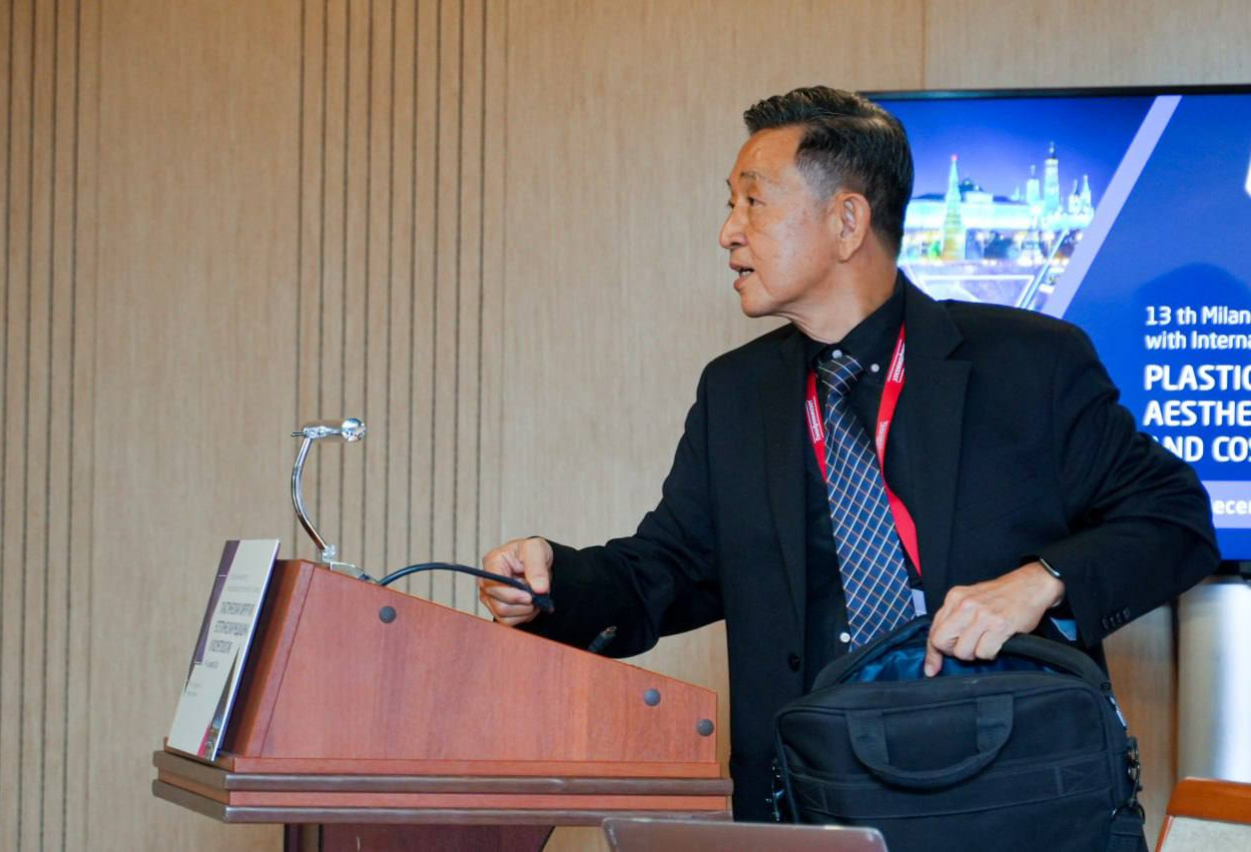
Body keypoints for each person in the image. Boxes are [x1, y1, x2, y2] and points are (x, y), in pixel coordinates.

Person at [478, 86, 1219, 821]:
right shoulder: (737, 393)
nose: (728, 231)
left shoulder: (1028, 363)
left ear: (846, 221)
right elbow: (666, 570)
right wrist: (553, 581)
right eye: (730, 205)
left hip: (1011, 802)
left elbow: (1175, 520)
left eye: (753, 202)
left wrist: (1042, 581)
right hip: (811, 799)